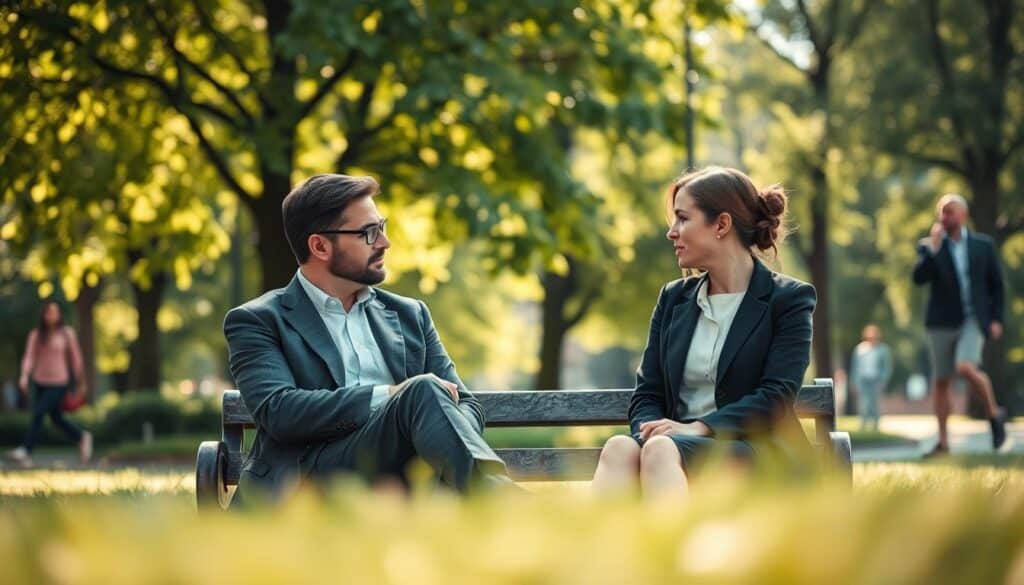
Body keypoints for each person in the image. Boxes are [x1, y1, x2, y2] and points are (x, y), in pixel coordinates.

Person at [224, 174, 511, 504]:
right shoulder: (257, 320)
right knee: (421, 390)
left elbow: (466, 402)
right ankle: (501, 502)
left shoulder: (410, 314)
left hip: (401, 477)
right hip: (308, 480)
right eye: (368, 233)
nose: (385, 243)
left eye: (382, 227)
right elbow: (279, 411)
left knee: (424, 391)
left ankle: (495, 498)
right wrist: (390, 395)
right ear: (319, 246)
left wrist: (435, 433)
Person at [591, 166, 816, 498]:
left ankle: (666, 549)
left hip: (756, 450)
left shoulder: (789, 299)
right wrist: (653, 429)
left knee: (662, 450)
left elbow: (775, 398)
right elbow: (648, 394)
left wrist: (698, 428)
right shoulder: (673, 299)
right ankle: (605, 551)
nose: (672, 232)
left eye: (683, 218)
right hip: (671, 449)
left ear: (721, 225)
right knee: (619, 448)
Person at [912, 193, 1006, 457]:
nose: (944, 216)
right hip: (940, 322)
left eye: (950, 211)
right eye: (941, 211)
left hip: (973, 319)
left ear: (962, 215)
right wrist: (933, 248)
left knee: (965, 366)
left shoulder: (983, 246)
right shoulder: (930, 246)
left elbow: (996, 285)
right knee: (941, 381)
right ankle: (943, 443)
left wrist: (997, 318)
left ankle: (993, 412)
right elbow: (919, 278)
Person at [5, 300, 92, 467]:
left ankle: (26, 451)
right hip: (40, 381)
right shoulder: (36, 335)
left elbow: (76, 359)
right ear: (43, 315)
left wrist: (81, 382)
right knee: (56, 418)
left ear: (59, 314)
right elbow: (29, 357)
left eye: (55, 311)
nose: (51, 315)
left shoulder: (67, 334)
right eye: (48, 312)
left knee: (39, 413)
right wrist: (24, 376)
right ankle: (82, 437)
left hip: (59, 382)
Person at [848, 324, 892, 432]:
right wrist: (854, 382)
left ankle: (875, 426)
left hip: (876, 380)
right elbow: (855, 367)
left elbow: (886, 367)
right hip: (863, 380)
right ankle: (863, 425)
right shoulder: (860, 349)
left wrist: (883, 380)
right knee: (863, 403)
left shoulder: (883, 350)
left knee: (875, 403)